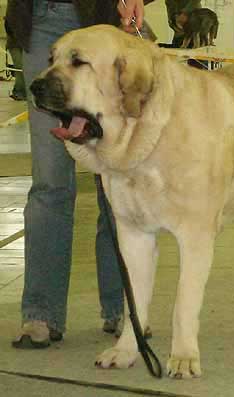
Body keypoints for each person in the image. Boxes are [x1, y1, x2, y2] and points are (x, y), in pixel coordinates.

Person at [5, 0, 145, 349]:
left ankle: (123, 309)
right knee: (50, 181)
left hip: (103, 26)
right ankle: (41, 312)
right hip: (40, 22)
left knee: (115, 181)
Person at [4, 1, 26, 101]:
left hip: (24, 43)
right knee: (20, 68)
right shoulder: (13, 8)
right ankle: (19, 91)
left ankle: (19, 91)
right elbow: (9, 25)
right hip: (15, 44)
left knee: (21, 69)